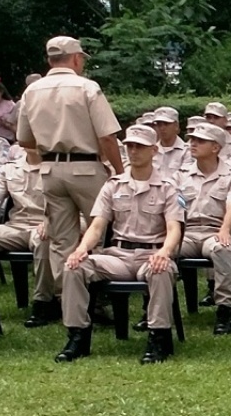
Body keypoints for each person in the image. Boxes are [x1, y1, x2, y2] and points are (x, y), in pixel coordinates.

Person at [56, 124, 184, 364]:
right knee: (74, 266)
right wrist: (82, 249)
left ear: (154, 150)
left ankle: (158, 337)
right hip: (118, 255)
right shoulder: (113, 185)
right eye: (130, 146)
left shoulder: (167, 187)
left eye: (140, 147)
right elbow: (97, 226)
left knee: (161, 269)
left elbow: (174, 229)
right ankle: (77, 336)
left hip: (152, 253)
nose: (133, 151)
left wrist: (165, 252)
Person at [17, 36, 124, 299]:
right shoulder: (86, 87)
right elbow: (107, 136)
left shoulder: (32, 91)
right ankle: (95, 298)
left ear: (50, 59)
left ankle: (69, 300)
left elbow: (24, 139)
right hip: (86, 167)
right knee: (96, 233)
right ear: (76, 58)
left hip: (51, 170)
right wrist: (121, 173)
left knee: (60, 240)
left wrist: (49, 141)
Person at [174, 123, 231, 335]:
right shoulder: (182, 174)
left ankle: (226, 309)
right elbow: (172, 207)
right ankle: (154, 309)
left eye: (200, 141)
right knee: (160, 252)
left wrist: (225, 229)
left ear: (215, 147)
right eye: (192, 139)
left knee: (224, 248)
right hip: (186, 233)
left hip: (215, 229)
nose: (192, 143)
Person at [0, 147, 58, 327]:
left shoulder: (56, 168)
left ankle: (44, 302)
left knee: (44, 239)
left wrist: (51, 221)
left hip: (44, 225)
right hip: (15, 226)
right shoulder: (10, 168)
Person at [151, 106, 193, 178]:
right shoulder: (150, 150)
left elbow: (185, 178)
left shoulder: (187, 151)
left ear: (176, 126)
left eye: (166, 124)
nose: (162, 128)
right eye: (159, 124)